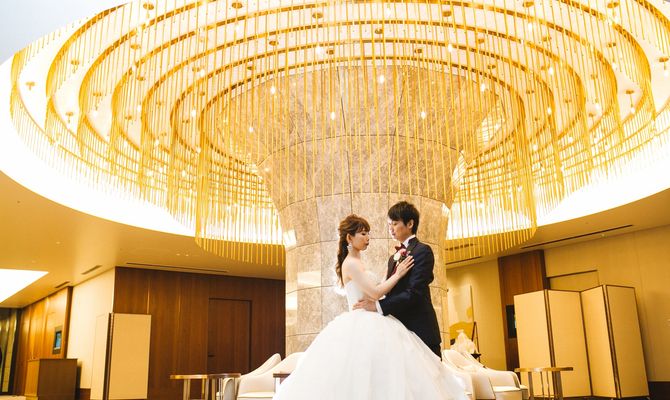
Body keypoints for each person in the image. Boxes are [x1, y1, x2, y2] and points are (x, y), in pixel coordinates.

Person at [273, 214, 467, 400]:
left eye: (368, 233)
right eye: (363, 233)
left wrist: (389, 274)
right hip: (362, 320)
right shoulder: (351, 263)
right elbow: (375, 293)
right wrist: (398, 274)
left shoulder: (357, 262)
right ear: (349, 238)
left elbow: (376, 290)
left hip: (372, 317)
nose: (368, 238)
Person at [354, 201, 443, 357]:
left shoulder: (422, 251)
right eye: (389, 224)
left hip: (420, 330)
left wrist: (377, 306)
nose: (391, 228)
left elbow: (414, 293)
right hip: (399, 332)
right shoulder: (393, 258)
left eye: (395, 224)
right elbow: (388, 290)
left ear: (410, 224)